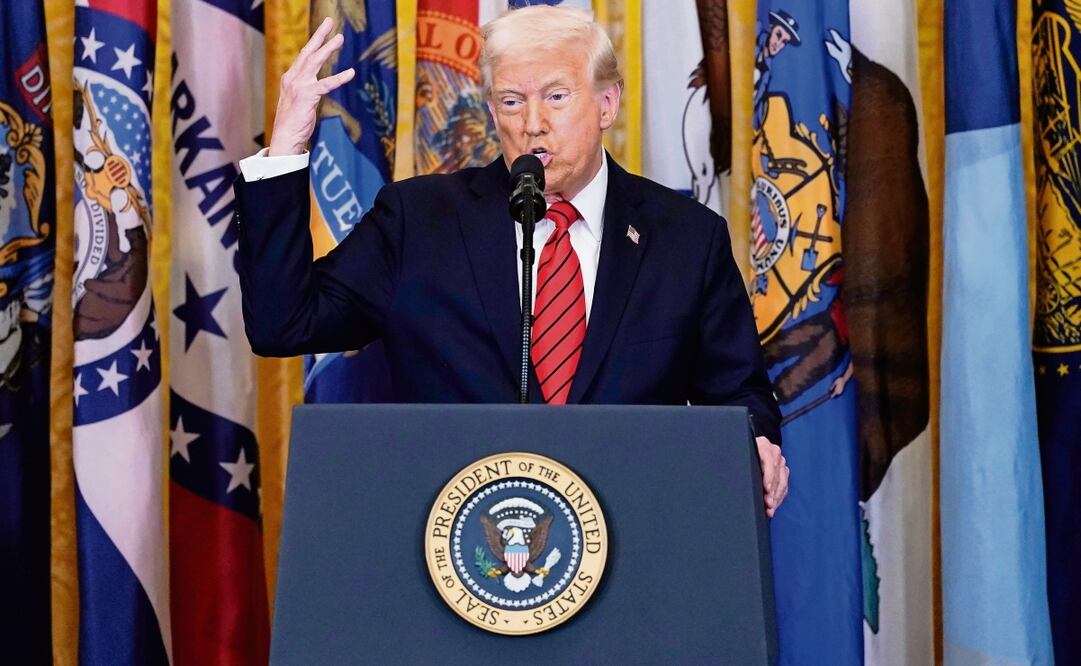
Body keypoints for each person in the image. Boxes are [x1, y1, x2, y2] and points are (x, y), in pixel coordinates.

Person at [234, 6, 789, 516]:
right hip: (454, 553)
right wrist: (285, 151)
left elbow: (739, 394)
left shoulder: (686, 238)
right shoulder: (418, 220)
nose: (532, 123)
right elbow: (284, 322)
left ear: (607, 104)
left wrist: (756, 443)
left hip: (636, 546)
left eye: (556, 96)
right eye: (511, 101)